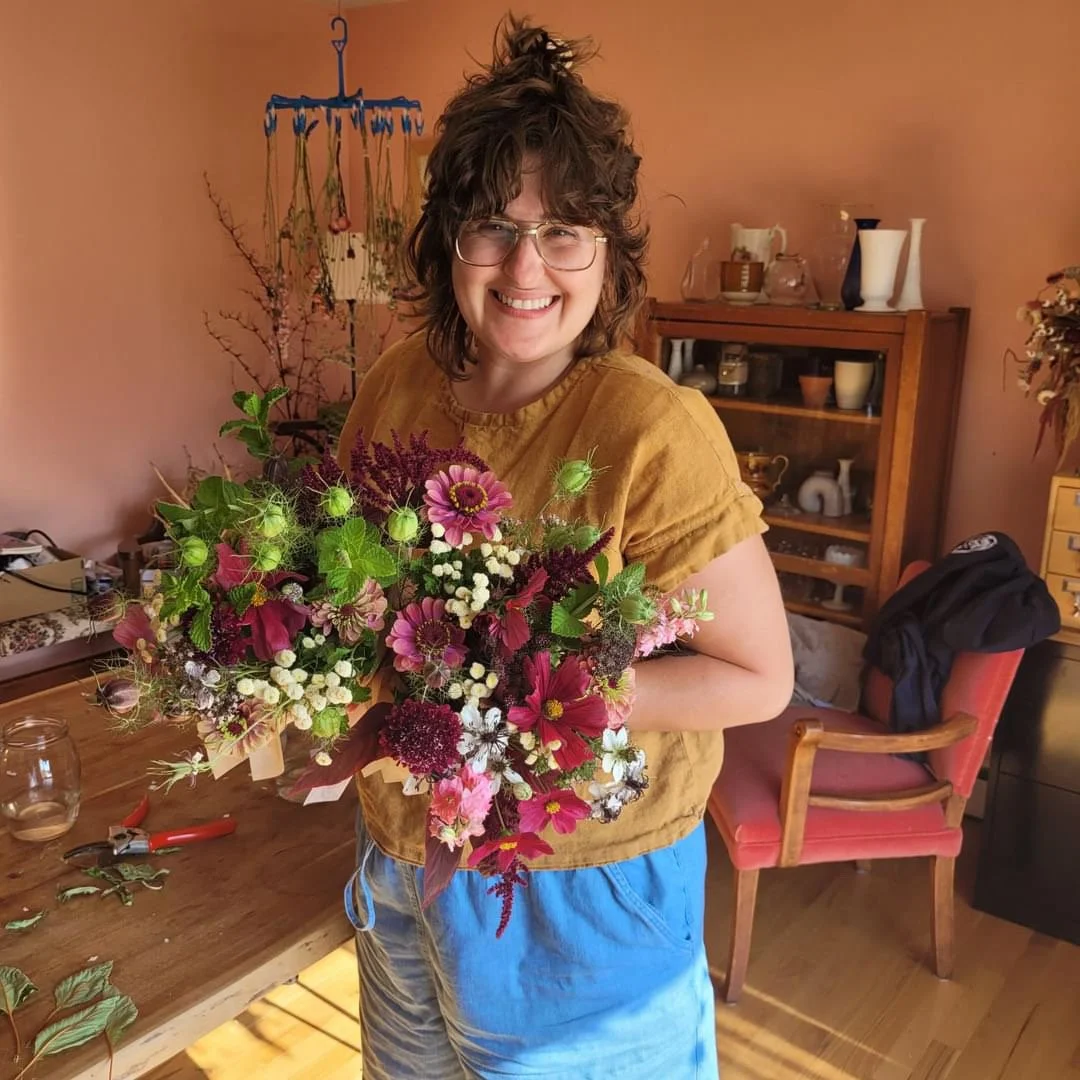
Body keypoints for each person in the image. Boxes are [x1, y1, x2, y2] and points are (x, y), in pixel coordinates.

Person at [336, 16, 793, 1079]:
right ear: (448, 240)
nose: (525, 267)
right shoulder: (395, 388)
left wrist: (533, 697)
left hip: (584, 895)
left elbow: (761, 678)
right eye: (492, 227)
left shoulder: (652, 429)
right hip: (404, 857)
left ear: (607, 250)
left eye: (564, 231)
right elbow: (355, 599)